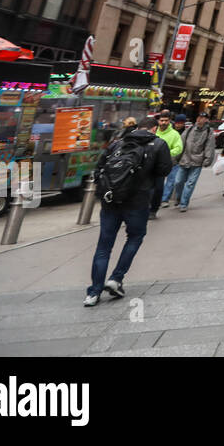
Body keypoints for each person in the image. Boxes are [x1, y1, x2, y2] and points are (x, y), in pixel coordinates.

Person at [84, 116, 172, 306]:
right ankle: (116, 278)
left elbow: (99, 170)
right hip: (137, 202)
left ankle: (93, 292)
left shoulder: (117, 143)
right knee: (135, 237)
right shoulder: (158, 144)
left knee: (103, 247)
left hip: (111, 201)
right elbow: (164, 171)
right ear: (154, 129)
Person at [163, 114, 216, 211]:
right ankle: (179, 198)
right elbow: (181, 144)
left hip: (197, 162)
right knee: (178, 181)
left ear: (206, 120)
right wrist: (175, 158)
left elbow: (209, 147)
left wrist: (207, 160)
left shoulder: (209, 132)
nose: (199, 120)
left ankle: (184, 203)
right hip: (185, 159)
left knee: (190, 183)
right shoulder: (190, 130)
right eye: (198, 117)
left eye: (202, 118)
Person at [150, 112, 183, 219]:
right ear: (158, 121)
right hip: (150, 164)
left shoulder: (174, 134)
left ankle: (157, 206)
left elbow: (179, 148)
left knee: (161, 186)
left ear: (169, 121)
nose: (163, 123)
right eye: (161, 120)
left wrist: (167, 154)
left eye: (166, 120)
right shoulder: (153, 132)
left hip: (165, 164)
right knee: (149, 187)